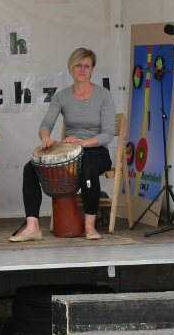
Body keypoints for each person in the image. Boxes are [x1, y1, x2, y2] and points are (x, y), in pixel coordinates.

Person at [9, 48, 115, 242]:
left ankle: (89, 226)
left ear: (92, 69)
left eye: (86, 66)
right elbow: (45, 124)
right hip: (70, 151)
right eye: (78, 65)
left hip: (96, 150)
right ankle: (32, 226)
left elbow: (108, 134)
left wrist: (81, 143)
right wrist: (46, 139)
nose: (82, 69)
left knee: (88, 167)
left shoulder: (103, 95)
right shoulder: (62, 96)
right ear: (71, 68)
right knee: (30, 168)